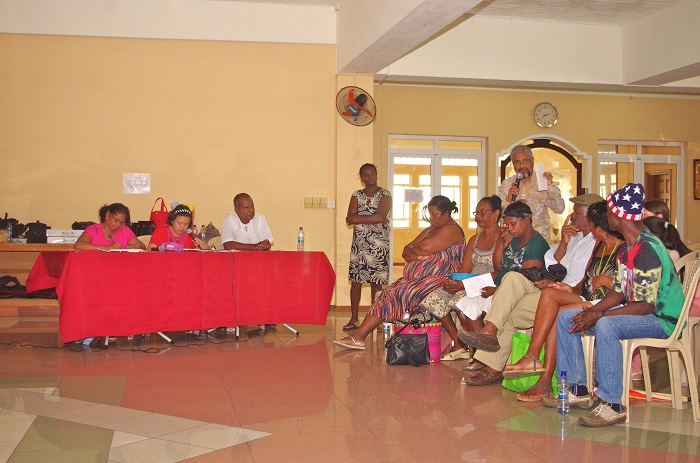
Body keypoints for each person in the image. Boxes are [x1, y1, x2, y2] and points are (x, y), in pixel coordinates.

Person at [548, 183, 684, 427]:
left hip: (663, 320)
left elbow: (645, 305)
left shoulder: (646, 249)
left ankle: (613, 404)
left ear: (619, 216)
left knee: (607, 326)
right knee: (566, 317)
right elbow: (620, 291)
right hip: (642, 312)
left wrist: (600, 316)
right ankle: (577, 389)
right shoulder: (628, 248)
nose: (606, 214)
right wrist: (594, 310)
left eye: (609, 210)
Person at [457, 193, 601, 386]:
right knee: (508, 295)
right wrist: (565, 243)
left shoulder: (597, 243)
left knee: (509, 292)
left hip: (572, 295)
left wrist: (570, 288)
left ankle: (491, 345)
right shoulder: (574, 239)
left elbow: (590, 277)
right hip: (553, 288)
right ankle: (491, 349)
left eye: (576, 212)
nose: (572, 216)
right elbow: (555, 264)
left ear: (590, 216)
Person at [502, 200, 624, 401]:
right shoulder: (600, 248)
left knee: (557, 313)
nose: (590, 229)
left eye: (592, 225)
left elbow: (628, 288)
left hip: (608, 304)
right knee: (550, 294)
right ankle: (533, 357)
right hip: (588, 298)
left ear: (601, 227)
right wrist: (568, 288)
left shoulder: (622, 249)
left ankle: (544, 380)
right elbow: (585, 281)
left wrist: (606, 281)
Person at [333, 195, 465, 350]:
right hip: (420, 279)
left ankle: (451, 341)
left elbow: (426, 247)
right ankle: (359, 338)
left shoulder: (452, 229)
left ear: (446, 214)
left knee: (403, 291)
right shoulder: (431, 230)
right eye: (429, 214)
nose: (431, 219)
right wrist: (418, 254)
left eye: (435, 215)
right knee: (388, 292)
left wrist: (417, 249)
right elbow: (405, 252)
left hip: (441, 278)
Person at [419, 195, 504, 361]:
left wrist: (464, 286)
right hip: (469, 281)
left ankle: (480, 350)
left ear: (496, 214)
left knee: (459, 300)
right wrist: (454, 281)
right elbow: (465, 268)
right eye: (476, 212)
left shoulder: (504, 238)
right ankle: (460, 343)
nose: (478, 216)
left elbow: (500, 271)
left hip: (487, 283)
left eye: (483, 212)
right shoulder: (475, 240)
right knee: (434, 297)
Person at [345, 163, 392, 331]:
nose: (369, 176)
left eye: (372, 173)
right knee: (356, 283)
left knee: (376, 283)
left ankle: (375, 320)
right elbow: (349, 218)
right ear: (361, 177)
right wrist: (375, 218)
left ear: (376, 175)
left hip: (378, 246)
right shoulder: (356, 194)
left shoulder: (385, 194)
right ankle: (353, 319)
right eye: (365, 174)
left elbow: (381, 215)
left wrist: (360, 217)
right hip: (360, 246)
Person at [497, 145, 565, 243]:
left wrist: (550, 186)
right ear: (513, 164)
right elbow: (499, 216)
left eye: (525, 161)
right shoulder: (507, 184)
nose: (522, 166)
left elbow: (560, 209)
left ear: (532, 161)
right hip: (513, 241)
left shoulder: (543, 182)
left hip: (539, 241)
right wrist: (508, 199)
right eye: (517, 162)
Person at [74, 203, 146, 251]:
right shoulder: (94, 229)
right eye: (116, 220)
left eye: (121, 222)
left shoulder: (124, 230)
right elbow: (78, 245)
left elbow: (142, 247)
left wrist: (128, 248)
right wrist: (107, 248)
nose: (118, 224)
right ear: (108, 215)